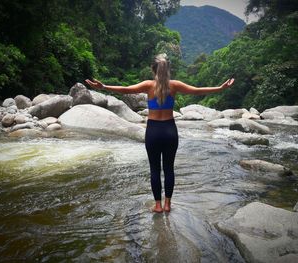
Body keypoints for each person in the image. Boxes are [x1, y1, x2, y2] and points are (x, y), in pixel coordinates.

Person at [85, 53, 234, 213]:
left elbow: (126, 90)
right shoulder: (175, 85)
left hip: (153, 131)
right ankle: (168, 204)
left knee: (155, 169)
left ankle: (158, 205)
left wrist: (104, 87)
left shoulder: (148, 85)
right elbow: (197, 91)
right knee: (169, 169)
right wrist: (220, 88)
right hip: (170, 131)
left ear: (152, 69)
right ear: (168, 69)